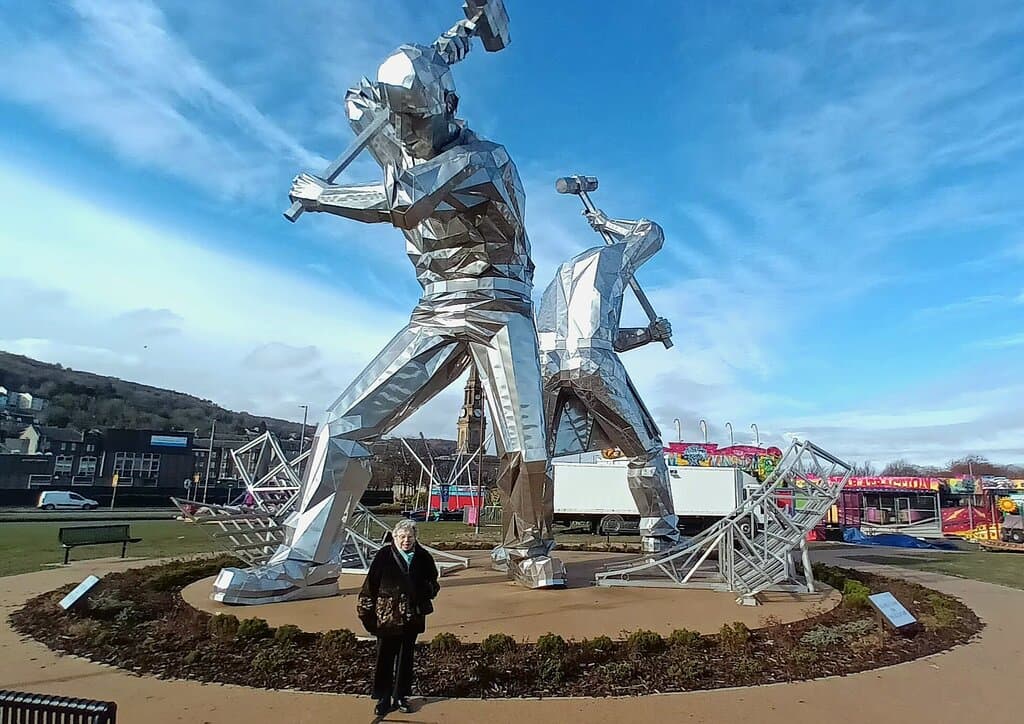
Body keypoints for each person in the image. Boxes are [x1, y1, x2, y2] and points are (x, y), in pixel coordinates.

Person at [213, 39, 564, 604]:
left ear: (447, 106)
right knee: (341, 423)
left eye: (417, 117)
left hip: (500, 305)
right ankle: (307, 560)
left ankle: (529, 550)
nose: (408, 131)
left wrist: (325, 196)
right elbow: (357, 99)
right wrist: (446, 44)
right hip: (436, 307)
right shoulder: (395, 132)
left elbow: (403, 203)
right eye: (398, 117)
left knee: (525, 440)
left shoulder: (481, 159)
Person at [537, 208, 681, 552]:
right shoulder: (614, 257)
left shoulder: (559, 279)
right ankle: (660, 537)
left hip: (545, 365)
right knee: (645, 453)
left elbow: (602, 335)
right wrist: (606, 223)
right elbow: (652, 232)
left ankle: (528, 544)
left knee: (535, 457)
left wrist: (646, 334)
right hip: (593, 364)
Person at [358, 519, 439, 716]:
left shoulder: (423, 557)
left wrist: (425, 591)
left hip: (412, 619)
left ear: (415, 537)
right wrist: (367, 615)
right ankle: (384, 698)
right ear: (394, 537)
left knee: (405, 660)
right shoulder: (384, 556)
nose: (406, 541)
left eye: (410, 537)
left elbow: (434, 583)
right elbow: (370, 586)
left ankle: (401, 696)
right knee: (384, 659)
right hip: (387, 618)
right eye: (402, 537)